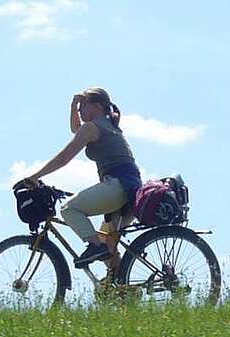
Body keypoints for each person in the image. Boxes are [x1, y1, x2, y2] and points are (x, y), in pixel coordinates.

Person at [16, 87, 142, 268]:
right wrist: (74, 106)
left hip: (116, 186)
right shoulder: (110, 126)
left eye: (83, 106)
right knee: (106, 242)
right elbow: (77, 130)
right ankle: (120, 288)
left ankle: (95, 247)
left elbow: (63, 158)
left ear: (97, 106)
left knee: (69, 209)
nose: (80, 111)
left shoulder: (92, 127)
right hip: (131, 190)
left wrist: (35, 177)